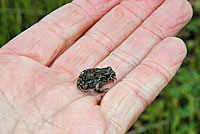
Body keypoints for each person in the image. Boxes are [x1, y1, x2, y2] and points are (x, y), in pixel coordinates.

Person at [0, 0, 193, 133]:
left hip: (88, 75)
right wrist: (98, 91)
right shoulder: (100, 80)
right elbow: (92, 82)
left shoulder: (104, 74)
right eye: (109, 75)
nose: (111, 75)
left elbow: (98, 73)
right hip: (84, 82)